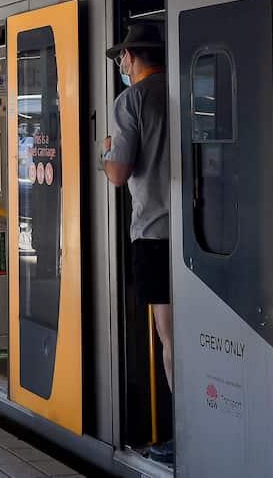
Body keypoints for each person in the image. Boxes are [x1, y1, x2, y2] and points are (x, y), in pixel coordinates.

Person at [102, 23, 174, 465]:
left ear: (130, 57)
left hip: (154, 234)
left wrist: (104, 152)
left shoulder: (131, 100)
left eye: (120, 59)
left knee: (169, 337)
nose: (120, 66)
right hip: (200, 228)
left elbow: (118, 172)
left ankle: (184, 433)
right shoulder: (187, 85)